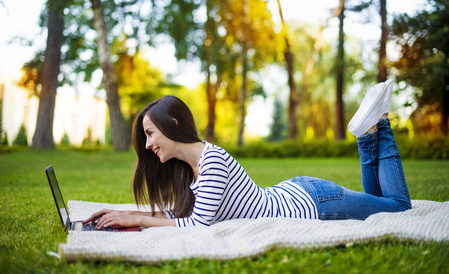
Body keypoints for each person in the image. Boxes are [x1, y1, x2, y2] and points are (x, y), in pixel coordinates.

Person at [84, 79, 412, 229]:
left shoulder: (210, 159)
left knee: (397, 209)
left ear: (172, 123)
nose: (147, 145)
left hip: (314, 206)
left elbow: (197, 226)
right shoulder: (191, 167)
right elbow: (181, 216)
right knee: (380, 203)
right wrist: (123, 214)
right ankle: (373, 128)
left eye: (150, 133)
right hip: (299, 192)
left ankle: (377, 129)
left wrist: (137, 219)